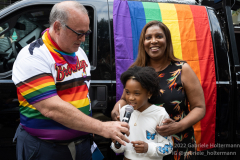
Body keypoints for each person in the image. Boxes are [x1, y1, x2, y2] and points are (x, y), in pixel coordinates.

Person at [12, 1, 129, 160]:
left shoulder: (79, 52)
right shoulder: (33, 55)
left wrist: (87, 126)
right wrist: (100, 127)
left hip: (82, 144)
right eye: (79, 33)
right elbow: (51, 108)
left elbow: (81, 94)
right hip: (46, 149)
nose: (83, 39)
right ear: (57, 27)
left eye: (86, 33)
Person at [111, 20, 206, 160]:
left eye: (159, 36)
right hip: (142, 146)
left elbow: (199, 107)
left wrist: (178, 127)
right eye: (148, 37)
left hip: (177, 143)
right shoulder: (136, 70)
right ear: (143, 42)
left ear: (167, 40)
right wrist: (116, 109)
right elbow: (125, 99)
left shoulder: (182, 69)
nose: (153, 41)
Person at [111, 66, 173, 160]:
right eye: (127, 92)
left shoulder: (160, 114)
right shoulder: (124, 111)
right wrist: (117, 144)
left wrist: (148, 148)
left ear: (149, 93)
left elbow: (168, 147)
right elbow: (121, 148)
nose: (131, 98)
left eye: (136, 93)